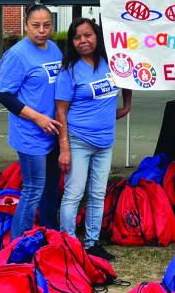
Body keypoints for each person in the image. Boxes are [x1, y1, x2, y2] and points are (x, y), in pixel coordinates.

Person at [55, 18, 131, 261]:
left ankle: (92, 243)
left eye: (87, 35)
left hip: (105, 142)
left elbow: (128, 79)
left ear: (96, 36)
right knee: (74, 194)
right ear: (72, 42)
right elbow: (61, 112)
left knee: (98, 194)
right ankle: (68, 244)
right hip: (78, 140)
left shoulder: (110, 63)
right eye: (77, 38)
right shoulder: (69, 70)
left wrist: (126, 106)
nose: (83, 41)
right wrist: (64, 148)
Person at [0, 4, 62, 239]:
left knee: (51, 188)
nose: (41, 30)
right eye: (36, 25)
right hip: (30, 133)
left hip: (53, 131)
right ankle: (18, 241)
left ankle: (49, 234)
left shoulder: (54, 49)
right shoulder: (17, 54)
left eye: (47, 25)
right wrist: (38, 118)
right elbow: (3, 95)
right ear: (26, 26)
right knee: (33, 189)